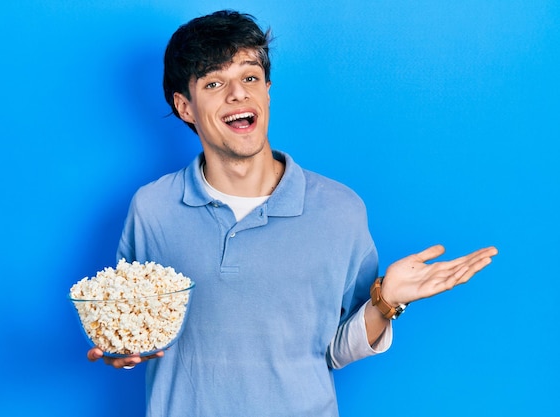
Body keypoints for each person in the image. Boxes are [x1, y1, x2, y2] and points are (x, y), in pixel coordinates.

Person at [87, 10, 498, 416]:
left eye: (249, 77)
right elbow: (132, 328)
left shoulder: (339, 211)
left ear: (267, 90)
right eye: (215, 82)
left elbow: (335, 351)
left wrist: (386, 302)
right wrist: (119, 345)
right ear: (185, 107)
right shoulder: (153, 209)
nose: (238, 93)